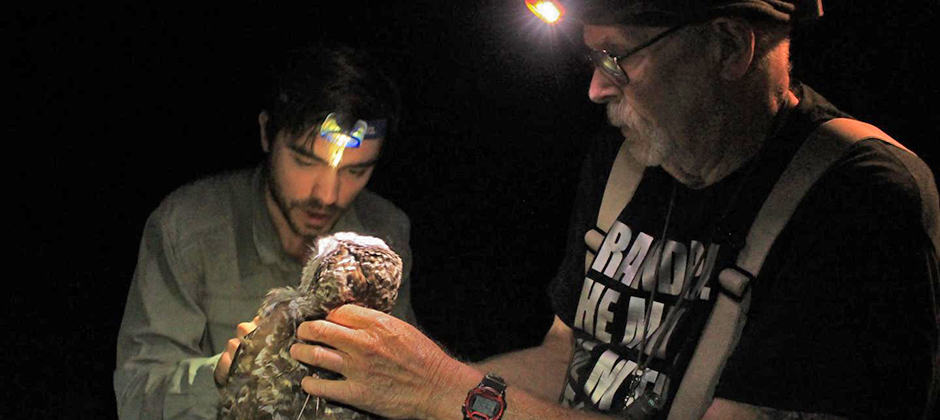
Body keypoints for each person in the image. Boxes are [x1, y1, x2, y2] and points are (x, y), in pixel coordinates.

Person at [287, 1, 938, 419]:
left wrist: (442, 391)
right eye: (591, 56)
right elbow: (566, 356)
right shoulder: (629, 159)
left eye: (617, 56)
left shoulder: (857, 201)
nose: (597, 87)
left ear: (729, 45)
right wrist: (370, 382)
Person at [113, 44, 416, 420]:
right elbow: (138, 392)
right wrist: (227, 374)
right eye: (305, 161)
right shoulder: (186, 226)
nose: (327, 195)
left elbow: (401, 383)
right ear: (266, 134)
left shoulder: (385, 235)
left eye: (355, 171)